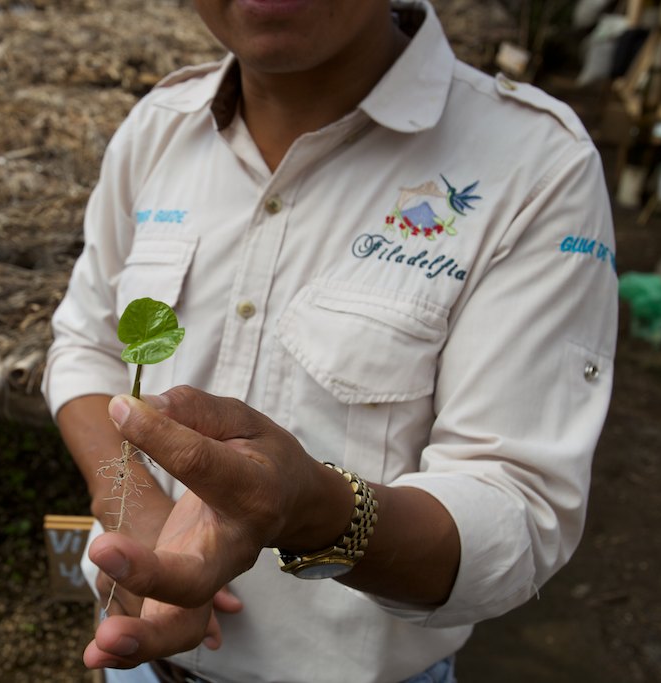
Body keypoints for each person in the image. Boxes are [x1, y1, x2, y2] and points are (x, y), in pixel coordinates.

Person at [42, 1, 618, 681]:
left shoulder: (534, 165)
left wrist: (314, 508)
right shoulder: (158, 129)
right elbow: (84, 343)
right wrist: (131, 499)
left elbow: (517, 513)